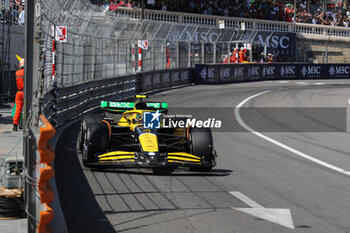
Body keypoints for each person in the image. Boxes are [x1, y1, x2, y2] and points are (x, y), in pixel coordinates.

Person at [13, 56, 24, 131]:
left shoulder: (17, 73)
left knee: (18, 109)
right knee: (28, 109)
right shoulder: (27, 72)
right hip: (26, 92)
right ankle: (24, 124)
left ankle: (15, 125)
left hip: (19, 93)